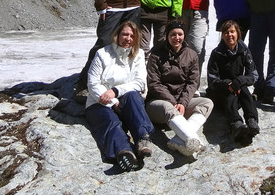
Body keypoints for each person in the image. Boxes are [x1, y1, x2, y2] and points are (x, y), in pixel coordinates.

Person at [84, 21, 154, 173]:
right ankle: (124, 152)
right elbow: (92, 83)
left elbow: (140, 82)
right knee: (110, 120)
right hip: (99, 101)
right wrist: (112, 101)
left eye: (131, 36)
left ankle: (142, 139)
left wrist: (115, 91)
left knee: (133, 97)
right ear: (117, 35)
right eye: (125, 34)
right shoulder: (102, 54)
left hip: (123, 100)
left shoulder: (138, 55)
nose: (128, 38)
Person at [145, 21, 213, 158]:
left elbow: (193, 82)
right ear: (167, 36)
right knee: (167, 107)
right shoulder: (156, 55)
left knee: (207, 103)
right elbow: (154, 84)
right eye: (173, 34)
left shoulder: (191, 55)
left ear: (184, 35)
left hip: (181, 103)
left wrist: (182, 102)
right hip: (158, 103)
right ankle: (194, 140)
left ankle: (177, 141)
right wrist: (173, 102)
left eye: (180, 34)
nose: (177, 38)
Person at [206, 20, 260, 145]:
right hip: (220, 93)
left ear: (238, 33)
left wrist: (241, 80)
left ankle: (252, 120)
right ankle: (236, 123)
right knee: (230, 93)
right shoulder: (216, 53)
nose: (229, 35)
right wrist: (228, 84)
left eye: (232, 32)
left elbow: (253, 74)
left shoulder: (244, 50)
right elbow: (212, 80)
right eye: (226, 32)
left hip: (239, 89)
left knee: (244, 89)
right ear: (222, 35)